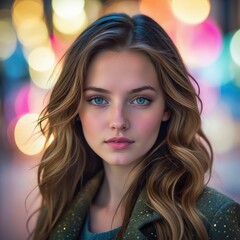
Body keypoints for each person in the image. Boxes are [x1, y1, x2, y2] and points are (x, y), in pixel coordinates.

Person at [29, 13, 240, 240]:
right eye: (98, 99)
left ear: (167, 107)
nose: (118, 122)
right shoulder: (58, 207)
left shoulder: (214, 218)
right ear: (76, 109)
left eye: (140, 100)